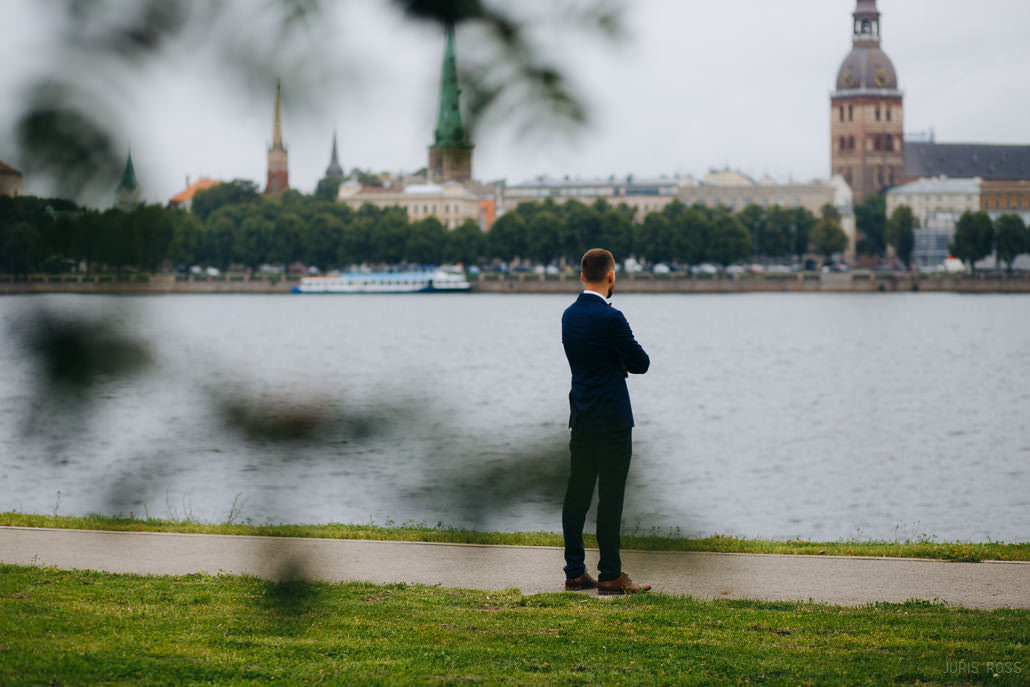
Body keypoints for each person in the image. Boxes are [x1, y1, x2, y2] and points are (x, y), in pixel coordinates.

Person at [560, 248, 651, 594]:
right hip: (613, 420)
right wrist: (619, 361)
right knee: (610, 497)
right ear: (611, 276)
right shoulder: (612, 319)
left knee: (577, 493)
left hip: (581, 417)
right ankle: (611, 573)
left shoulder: (569, 316)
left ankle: (574, 570)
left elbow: (584, 359)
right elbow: (641, 362)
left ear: (582, 275)